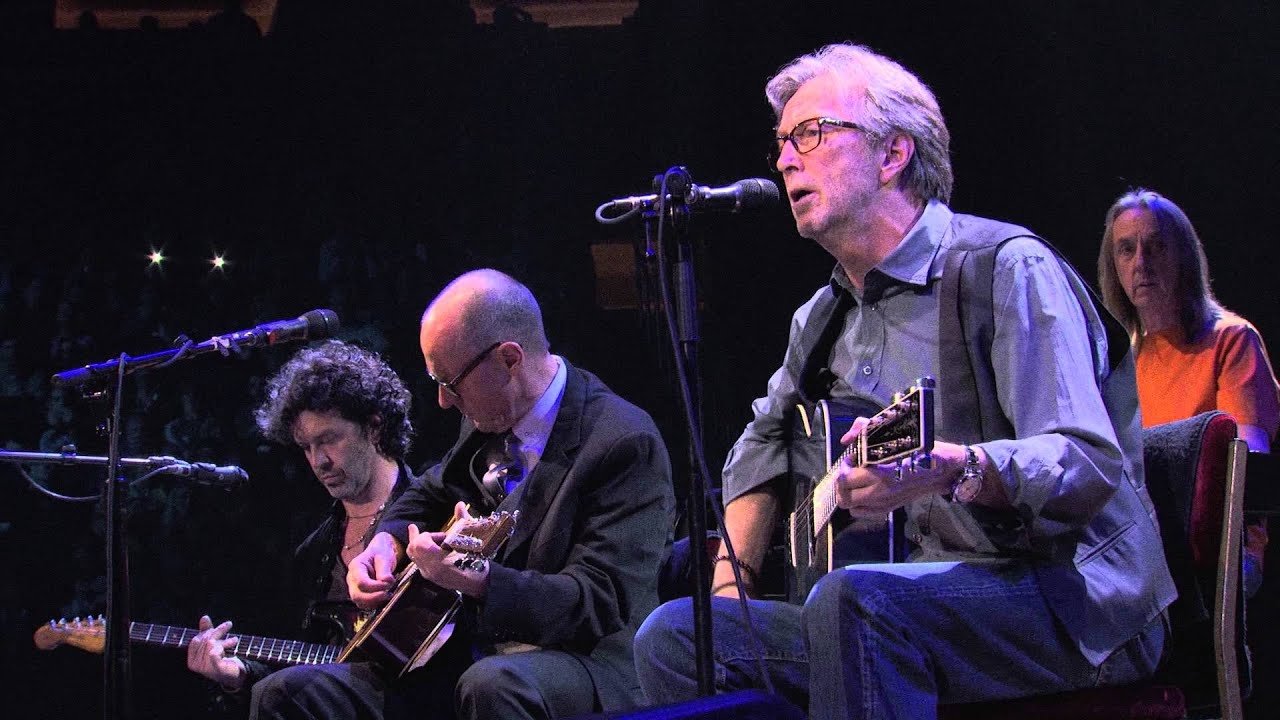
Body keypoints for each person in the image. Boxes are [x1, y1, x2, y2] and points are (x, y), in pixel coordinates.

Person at [634, 43, 1176, 719]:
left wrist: (955, 468)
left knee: (856, 601)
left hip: (1066, 600)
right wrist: (729, 581)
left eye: (811, 133)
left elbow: (1086, 460)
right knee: (681, 638)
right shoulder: (822, 317)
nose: (783, 159)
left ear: (892, 155)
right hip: (908, 600)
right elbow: (763, 445)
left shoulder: (1004, 269)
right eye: (781, 142)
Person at [250, 269, 674, 719]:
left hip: (589, 661)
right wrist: (385, 542)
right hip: (476, 653)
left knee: (492, 684)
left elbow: (597, 602)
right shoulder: (489, 413)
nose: (443, 402)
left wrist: (476, 580)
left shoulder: (623, 442)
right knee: (289, 693)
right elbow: (431, 490)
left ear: (509, 360)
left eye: (450, 383)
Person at [185, 339, 415, 707]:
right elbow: (303, 662)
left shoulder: (435, 512)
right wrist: (237, 675)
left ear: (374, 427)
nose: (318, 461)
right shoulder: (312, 553)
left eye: (328, 440)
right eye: (306, 447)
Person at [1098, 187, 1278, 596]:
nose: (1141, 263)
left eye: (1156, 247)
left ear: (1183, 258)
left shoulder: (1231, 340)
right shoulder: (1117, 357)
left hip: (1222, 553)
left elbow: (1247, 473)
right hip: (1138, 545)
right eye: (1126, 250)